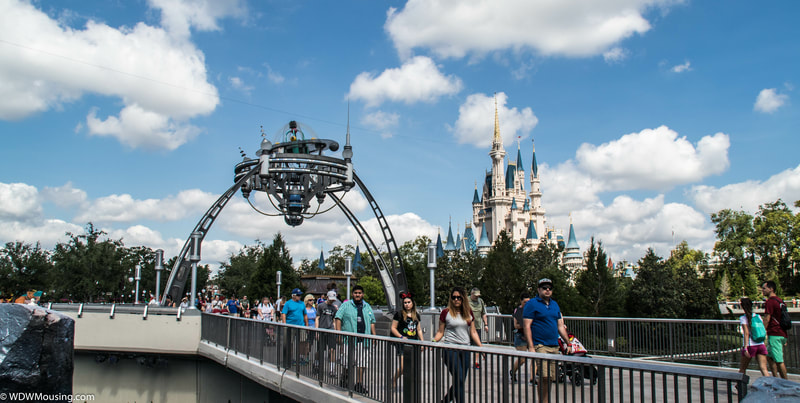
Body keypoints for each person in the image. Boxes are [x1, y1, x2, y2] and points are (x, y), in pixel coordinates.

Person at [523, 278, 571, 402]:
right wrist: (531, 347)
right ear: (539, 289)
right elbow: (527, 325)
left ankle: (545, 400)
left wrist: (568, 342)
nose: (547, 290)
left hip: (554, 345)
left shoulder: (555, 305)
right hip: (540, 345)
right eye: (544, 288)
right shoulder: (532, 304)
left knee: (551, 378)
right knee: (544, 376)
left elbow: (560, 325)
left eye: (549, 288)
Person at [433, 287, 484, 403]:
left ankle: (446, 400)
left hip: (465, 349)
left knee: (460, 380)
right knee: (459, 378)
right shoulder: (445, 312)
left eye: (459, 297)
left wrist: (481, 348)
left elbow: (473, 332)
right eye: (454, 297)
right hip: (450, 349)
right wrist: (432, 342)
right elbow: (440, 332)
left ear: (463, 299)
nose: (456, 300)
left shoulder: (468, 312)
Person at [334, 285, 376, 395]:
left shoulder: (367, 306)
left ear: (363, 294)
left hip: (364, 340)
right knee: (348, 362)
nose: (358, 295)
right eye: (356, 293)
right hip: (350, 340)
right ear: (353, 294)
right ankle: (345, 379)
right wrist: (339, 334)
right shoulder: (346, 305)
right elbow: (338, 318)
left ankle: (359, 383)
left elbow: (372, 322)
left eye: (360, 293)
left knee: (362, 363)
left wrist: (374, 336)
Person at [390, 291, 424, 389]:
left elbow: (419, 329)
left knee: (412, 366)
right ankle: (394, 379)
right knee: (403, 366)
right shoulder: (399, 314)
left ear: (412, 303)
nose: (407, 304)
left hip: (414, 342)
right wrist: (401, 337)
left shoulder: (416, 315)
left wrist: (422, 342)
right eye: (405, 303)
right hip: (403, 343)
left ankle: (409, 386)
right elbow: (393, 328)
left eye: (409, 302)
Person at [761, 281, 788, 379]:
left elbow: (767, 318)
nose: (762, 290)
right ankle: (775, 379)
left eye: (764, 288)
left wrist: (762, 332)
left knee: (779, 360)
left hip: (775, 334)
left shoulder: (770, 302)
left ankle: (786, 383)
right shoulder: (780, 301)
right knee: (770, 357)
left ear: (771, 289)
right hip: (781, 333)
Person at [737, 297, 770, 377]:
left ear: (742, 307)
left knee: (742, 369)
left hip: (750, 346)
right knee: (764, 368)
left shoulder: (743, 318)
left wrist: (745, 348)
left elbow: (746, 333)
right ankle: (770, 385)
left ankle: (739, 386)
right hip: (760, 344)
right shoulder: (758, 316)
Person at [510, 291, 532, 384]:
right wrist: (526, 326)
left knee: (535, 357)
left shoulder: (531, 310)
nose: (526, 304)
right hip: (521, 336)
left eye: (528, 302)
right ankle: (513, 371)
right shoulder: (518, 311)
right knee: (522, 359)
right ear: (521, 301)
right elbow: (516, 325)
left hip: (530, 336)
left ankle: (532, 377)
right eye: (525, 302)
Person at [316, 290, 339, 377]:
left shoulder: (334, 308)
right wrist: (317, 330)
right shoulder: (321, 306)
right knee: (320, 350)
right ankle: (317, 364)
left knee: (332, 350)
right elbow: (317, 317)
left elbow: (334, 320)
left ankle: (332, 369)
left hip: (330, 330)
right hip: (322, 329)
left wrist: (336, 331)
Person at [468, 288, 488, 368]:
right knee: (467, 344)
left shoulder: (480, 301)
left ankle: (476, 362)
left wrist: (486, 324)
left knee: (477, 344)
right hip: (468, 327)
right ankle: (466, 361)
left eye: (478, 296)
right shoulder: (466, 300)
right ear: (471, 294)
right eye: (475, 296)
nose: (477, 297)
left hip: (477, 326)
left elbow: (483, 313)